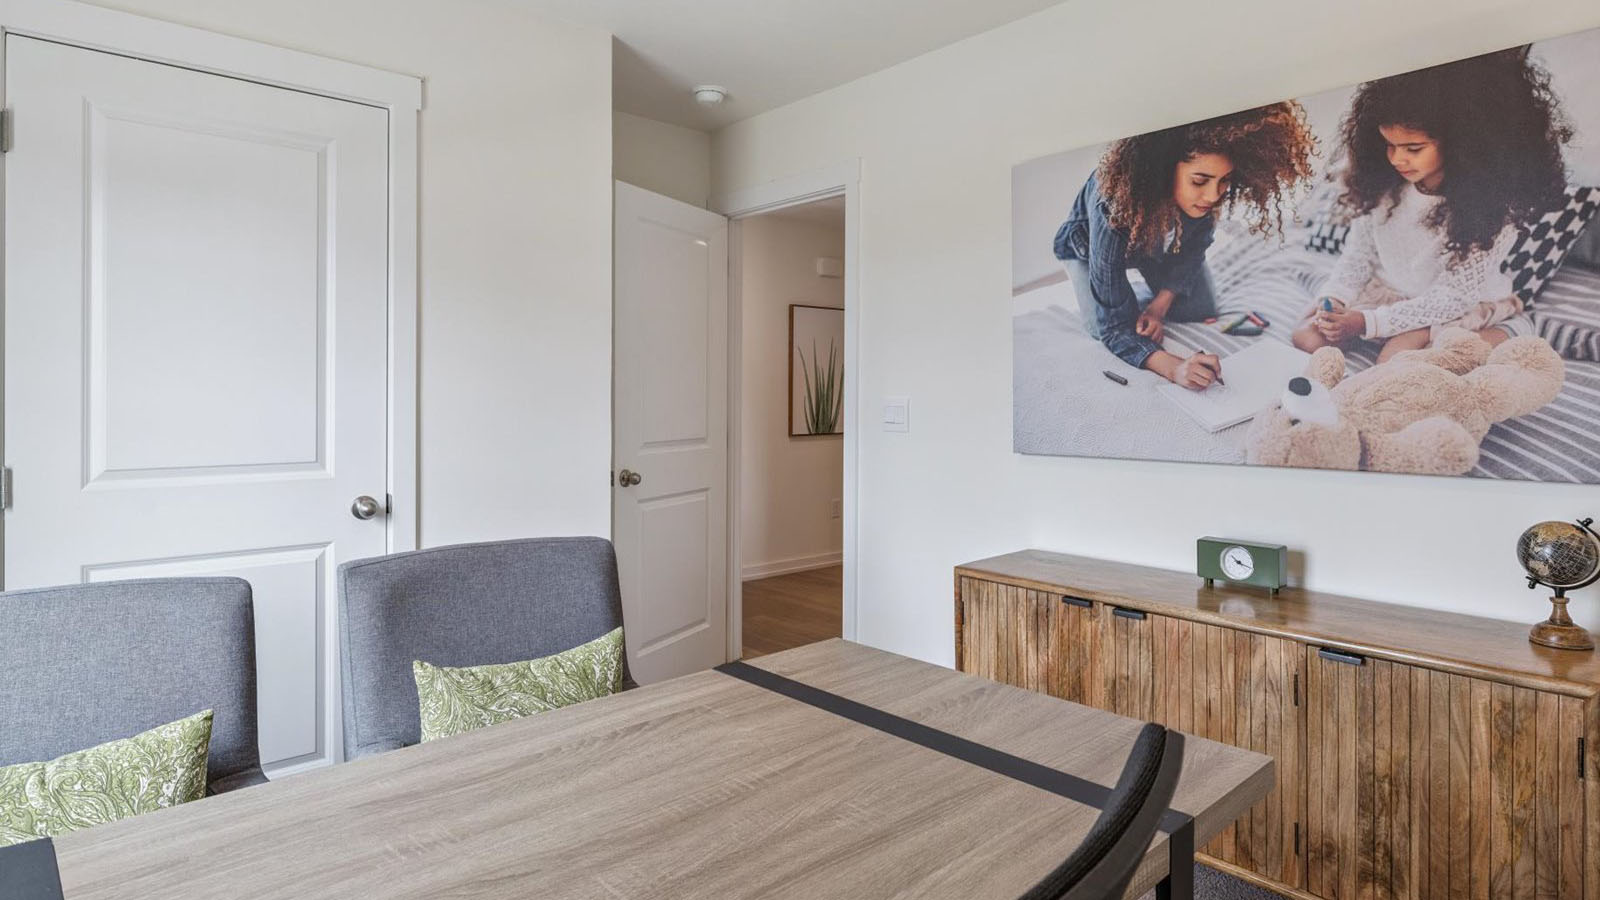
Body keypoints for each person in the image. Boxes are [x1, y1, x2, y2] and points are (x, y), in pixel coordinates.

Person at [1294, 47, 1572, 361]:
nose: (1397, 159)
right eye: (1389, 145)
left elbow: (1454, 296)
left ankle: (1510, 329)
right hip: (1388, 295)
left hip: (1447, 305)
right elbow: (1358, 256)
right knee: (1307, 336)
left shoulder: (1490, 207)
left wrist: (1367, 322)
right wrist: (1336, 300)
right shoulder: (1381, 186)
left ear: (1460, 144)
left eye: (1413, 148)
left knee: (1396, 360)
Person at [1055, 102, 1315, 389]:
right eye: (1200, 181)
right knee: (1100, 325)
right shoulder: (1113, 202)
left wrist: (1158, 308)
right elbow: (1113, 328)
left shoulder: (1207, 197)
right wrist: (1174, 368)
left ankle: (1129, 293)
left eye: (1225, 181)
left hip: (1152, 248)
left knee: (1199, 307)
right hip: (1086, 249)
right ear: (1166, 170)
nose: (1213, 195)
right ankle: (1117, 291)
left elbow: (1194, 249)